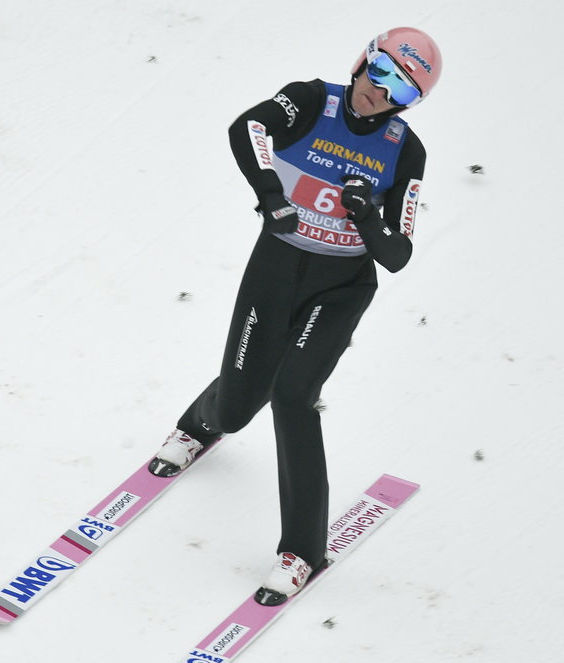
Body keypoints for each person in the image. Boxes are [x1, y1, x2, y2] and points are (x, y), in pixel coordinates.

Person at [148, 27, 442, 605]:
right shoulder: (312, 100)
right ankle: (201, 423)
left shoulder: (405, 149)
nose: (380, 95)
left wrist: (365, 214)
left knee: (292, 396)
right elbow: (248, 128)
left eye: (401, 93)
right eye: (379, 74)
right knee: (238, 403)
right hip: (277, 267)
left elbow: (398, 254)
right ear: (362, 61)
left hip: (341, 287)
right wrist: (270, 195)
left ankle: (301, 552)